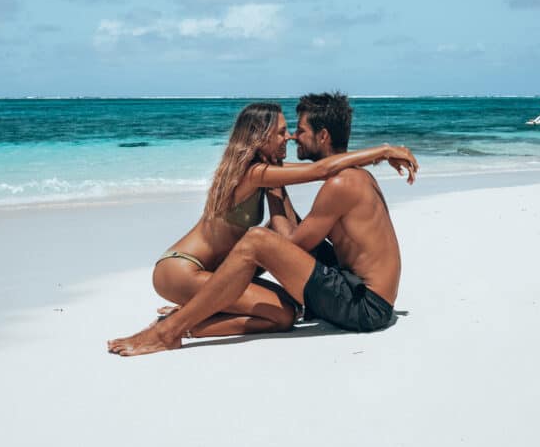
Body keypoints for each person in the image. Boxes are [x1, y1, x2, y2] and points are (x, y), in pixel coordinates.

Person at [108, 93, 418, 356]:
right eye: (284, 132)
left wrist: (382, 151)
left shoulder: (340, 183)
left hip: (365, 305)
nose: (292, 136)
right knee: (262, 242)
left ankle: (191, 316)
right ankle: (170, 331)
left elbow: (291, 240)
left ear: (323, 136)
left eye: (297, 130)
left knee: (277, 289)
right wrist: (384, 150)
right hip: (182, 268)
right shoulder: (257, 173)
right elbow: (317, 182)